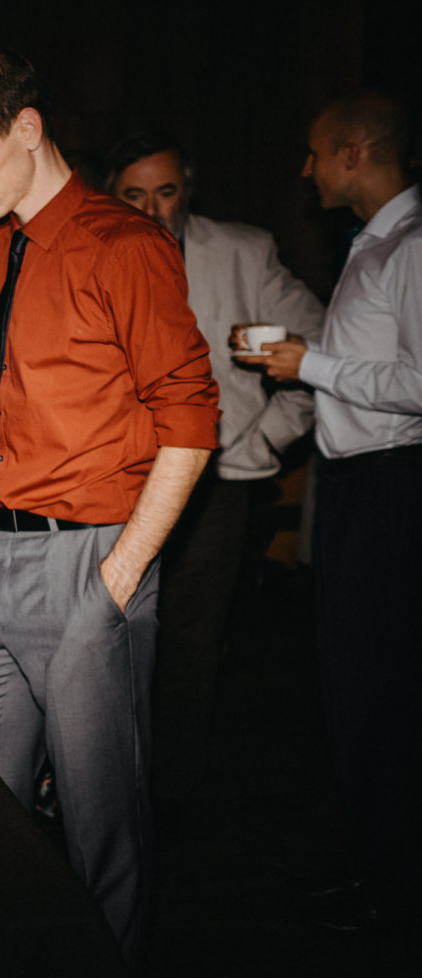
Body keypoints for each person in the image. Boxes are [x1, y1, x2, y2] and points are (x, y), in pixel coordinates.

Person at [0, 45, 219, 968]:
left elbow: (192, 422)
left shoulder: (124, 245)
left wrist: (119, 577)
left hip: (90, 560)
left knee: (102, 828)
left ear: (27, 129)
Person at [240, 90, 421, 935]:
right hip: (357, 484)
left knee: (382, 686)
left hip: (393, 487)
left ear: (355, 152)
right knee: (354, 683)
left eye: (316, 152)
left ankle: (391, 886)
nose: (306, 168)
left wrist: (311, 366)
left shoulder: (411, 245)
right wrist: (308, 359)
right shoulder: (374, 240)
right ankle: (373, 864)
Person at [105, 130, 324, 817]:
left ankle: (168, 793)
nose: (153, 209)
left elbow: (326, 350)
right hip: (114, 482)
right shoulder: (93, 253)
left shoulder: (243, 251)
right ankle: (104, 784)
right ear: (112, 195)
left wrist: (261, 438)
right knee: (107, 635)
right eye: (135, 195)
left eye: (166, 191)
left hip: (215, 481)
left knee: (191, 638)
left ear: (189, 188)